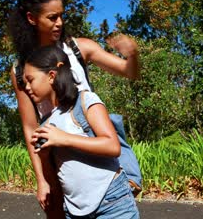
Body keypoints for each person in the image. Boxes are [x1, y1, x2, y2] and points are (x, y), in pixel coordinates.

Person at [8, 0, 140, 217]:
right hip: (57, 158)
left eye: (61, 15)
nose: (59, 22)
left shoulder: (78, 48)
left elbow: (129, 72)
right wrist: (42, 180)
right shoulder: (21, 70)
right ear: (31, 18)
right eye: (52, 17)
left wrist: (133, 56)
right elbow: (30, 127)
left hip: (95, 147)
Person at [24, 45, 139, 218]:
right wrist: (44, 157)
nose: (26, 87)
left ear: (51, 76)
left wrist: (64, 138)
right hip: (74, 211)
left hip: (112, 203)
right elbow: (53, 178)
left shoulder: (84, 101)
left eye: (30, 80)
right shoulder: (45, 124)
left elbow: (112, 145)